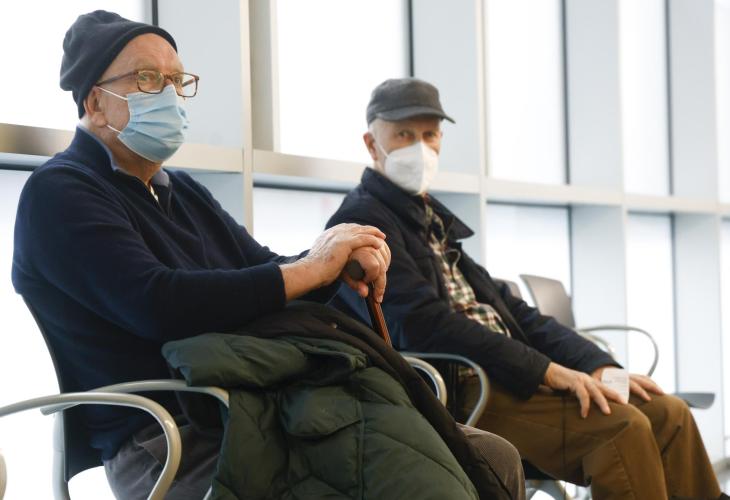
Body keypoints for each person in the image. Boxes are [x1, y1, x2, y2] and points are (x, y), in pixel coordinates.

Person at [11, 12, 524, 499]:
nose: (169, 94)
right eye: (148, 79)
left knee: (490, 458)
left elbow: (264, 269)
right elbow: (157, 303)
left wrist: (336, 260)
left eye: (177, 81)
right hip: (169, 434)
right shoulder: (61, 193)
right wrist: (309, 269)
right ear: (95, 102)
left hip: (254, 405)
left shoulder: (181, 192)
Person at [327, 77, 726, 500]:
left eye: (430, 135)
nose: (420, 148)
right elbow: (422, 324)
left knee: (669, 412)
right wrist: (546, 370)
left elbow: (516, 312)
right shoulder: (363, 222)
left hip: (508, 372)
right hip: (464, 388)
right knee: (620, 428)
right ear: (372, 144)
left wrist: (596, 364)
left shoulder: (431, 220)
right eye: (404, 135)